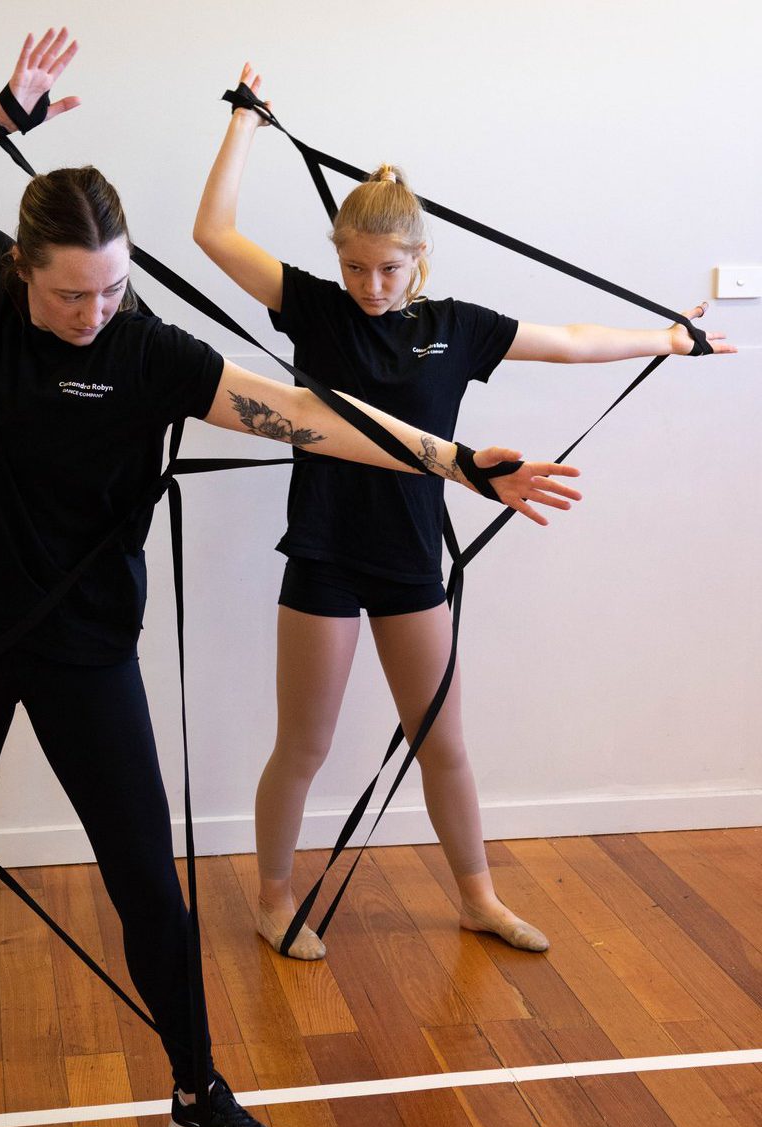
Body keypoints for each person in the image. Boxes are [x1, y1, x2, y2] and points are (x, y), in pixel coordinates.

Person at [0, 29, 581, 1127]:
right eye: (68, 294)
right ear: (19, 274)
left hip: (85, 643)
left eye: (110, 287)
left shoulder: (152, 351)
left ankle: (198, 1090)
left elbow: (313, 414)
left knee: (149, 876)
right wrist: (0, 117)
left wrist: (454, 461)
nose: (91, 310)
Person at [194, 63, 734, 963]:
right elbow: (212, 233)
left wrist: (667, 338)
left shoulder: (458, 325)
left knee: (443, 743)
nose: (370, 283)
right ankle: (274, 895)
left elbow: (567, 342)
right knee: (304, 743)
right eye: (355, 266)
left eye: (388, 268)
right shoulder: (316, 312)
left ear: (420, 262)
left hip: (411, 559)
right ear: (337, 260)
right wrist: (246, 126)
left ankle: (478, 897)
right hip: (324, 554)